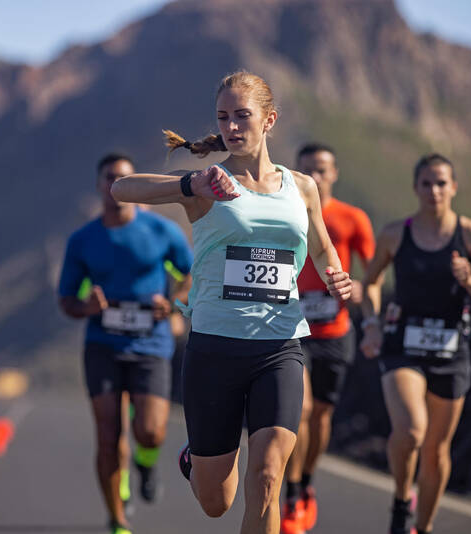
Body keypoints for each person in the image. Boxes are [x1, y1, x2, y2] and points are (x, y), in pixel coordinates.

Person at [111, 71, 352, 534]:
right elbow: (122, 190)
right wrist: (189, 187)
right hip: (215, 349)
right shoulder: (209, 182)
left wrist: (334, 275)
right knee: (216, 502)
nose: (232, 126)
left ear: (269, 120)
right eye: (223, 117)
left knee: (266, 478)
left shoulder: (301, 187)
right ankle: (195, 457)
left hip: (280, 346)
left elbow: (320, 247)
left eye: (243, 115)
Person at [359, 154, 471, 534]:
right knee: (410, 431)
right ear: (415, 188)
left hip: (451, 352)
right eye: (426, 183)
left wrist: (469, 280)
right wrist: (372, 324)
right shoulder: (395, 233)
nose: (434, 191)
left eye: (442, 183)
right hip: (402, 346)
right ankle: (401, 499)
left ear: (454, 187)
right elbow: (370, 283)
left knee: (437, 450)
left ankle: (422, 527)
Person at [58, 153, 193, 534]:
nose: (116, 184)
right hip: (103, 346)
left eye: (124, 178)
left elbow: (189, 274)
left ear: (135, 186)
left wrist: (174, 304)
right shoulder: (82, 240)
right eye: (109, 178)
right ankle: (117, 520)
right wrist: (87, 306)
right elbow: (66, 301)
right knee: (107, 436)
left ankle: (146, 463)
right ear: (100, 185)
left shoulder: (162, 232)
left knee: (151, 431)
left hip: (151, 345)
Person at [281, 143, 376, 534]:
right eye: (306, 170)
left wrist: (367, 311)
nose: (314, 177)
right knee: (300, 411)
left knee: (321, 416)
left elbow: (373, 278)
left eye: (321, 170)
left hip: (335, 333)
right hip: (291, 331)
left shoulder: (353, 219)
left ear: (334, 173)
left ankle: (306, 482)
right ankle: (290, 492)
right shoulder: (283, 214)